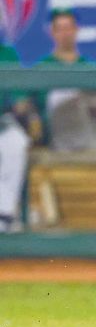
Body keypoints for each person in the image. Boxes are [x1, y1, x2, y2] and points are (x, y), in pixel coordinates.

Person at [36, 8, 96, 153]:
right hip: (62, 135)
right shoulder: (42, 67)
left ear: (76, 30)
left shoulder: (90, 66)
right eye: (60, 29)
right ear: (52, 32)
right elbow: (41, 107)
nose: (65, 33)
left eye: (69, 28)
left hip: (93, 132)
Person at [0, 42, 30, 233]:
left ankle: (4, 214)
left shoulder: (8, 53)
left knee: (17, 142)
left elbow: (20, 100)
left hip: (3, 121)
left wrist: (21, 106)